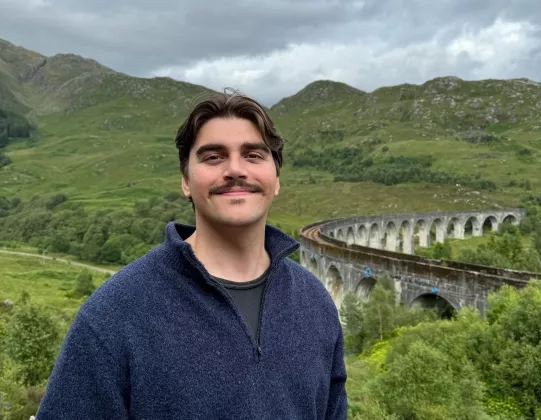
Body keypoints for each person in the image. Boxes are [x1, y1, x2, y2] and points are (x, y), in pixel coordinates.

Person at [36, 90, 348, 419]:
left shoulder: (315, 304)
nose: (235, 169)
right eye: (214, 157)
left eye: (253, 155)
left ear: (276, 179)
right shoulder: (113, 316)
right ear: (186, 180)